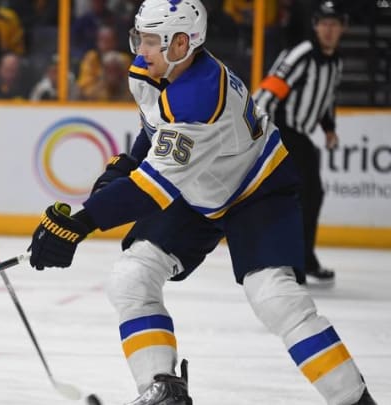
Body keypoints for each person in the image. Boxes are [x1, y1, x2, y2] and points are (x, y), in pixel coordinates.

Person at [27, 1, 376, 404]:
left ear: (181, 44)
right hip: (197, 187)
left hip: (256, 191)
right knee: (131, 277)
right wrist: (122, 167)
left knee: (276, 297)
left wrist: (80, 224)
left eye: (151, 41)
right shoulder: (150, 69)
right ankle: (163, 389)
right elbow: (157, 130)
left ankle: (354, 400)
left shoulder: (202, 97)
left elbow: (152, 189)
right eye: (139, 38)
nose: (141, 50)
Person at [253, 0, 346, 286]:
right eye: (324, 24)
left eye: (334, 24)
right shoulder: (303, 54)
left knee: (308, 195)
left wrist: (329, 128)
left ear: (343, 28)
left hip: (299, 133)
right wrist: (259, 130)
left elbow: (326, 98)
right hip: (281, 128)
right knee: (306, 194)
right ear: (315, 26)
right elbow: (269, 90)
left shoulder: (336, 62)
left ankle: (298, 259)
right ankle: (295, 261)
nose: (328, 30)